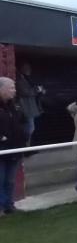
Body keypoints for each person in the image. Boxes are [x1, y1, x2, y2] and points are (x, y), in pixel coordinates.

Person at [0, 77, 27, 215]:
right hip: (2, 150)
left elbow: (22, 122)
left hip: (14, 149)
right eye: (11, 87)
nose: (14, 90)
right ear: (1, 89)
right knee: (1, 179)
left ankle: (9, 206)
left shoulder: (14, 105)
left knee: (10, 181)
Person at [15, 63, 45, 145]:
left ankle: (28, 147)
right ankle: (25, 147)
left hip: (30, 107)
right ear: (21, 68)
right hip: (26, 108)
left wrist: (39, 90)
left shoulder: (25, 78)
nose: (29, 69)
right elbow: (25, 92)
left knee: (31, 128)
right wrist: (37, 90)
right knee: (29, 128)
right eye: (26, 67)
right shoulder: (19, 79)